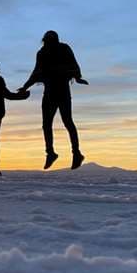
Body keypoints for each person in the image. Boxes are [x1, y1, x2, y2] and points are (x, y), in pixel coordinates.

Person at [19, 30, 87, 170]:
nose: (50, 43)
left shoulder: (63, 49)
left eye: (52, 40)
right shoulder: (42, 53)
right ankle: (52, 153)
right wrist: (25, 86)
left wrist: (78, 77)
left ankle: (75, 154)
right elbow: (36, 72)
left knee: (66, 122)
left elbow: (73, 64)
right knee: (49, 124)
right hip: (51, 92)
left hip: (61, 91)